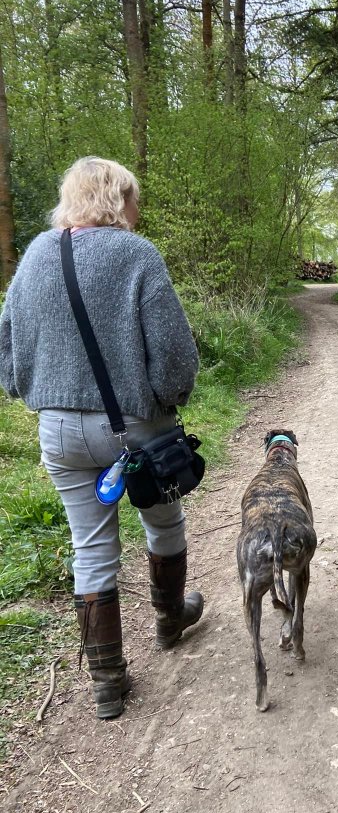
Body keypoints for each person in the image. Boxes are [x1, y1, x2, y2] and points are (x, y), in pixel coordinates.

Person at [0, 157, 204, 719]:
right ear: (118, 199)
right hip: (135, 428)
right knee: (163, 520)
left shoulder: (36, 254)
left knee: (89, 547)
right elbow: (173, 356)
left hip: (58, 427)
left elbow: (8, 345)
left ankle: (108, 681)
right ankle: (169, 621)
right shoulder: (137, 255)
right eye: (133, 198)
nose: (137, 210)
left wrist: (39, 392)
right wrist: (170, 399)